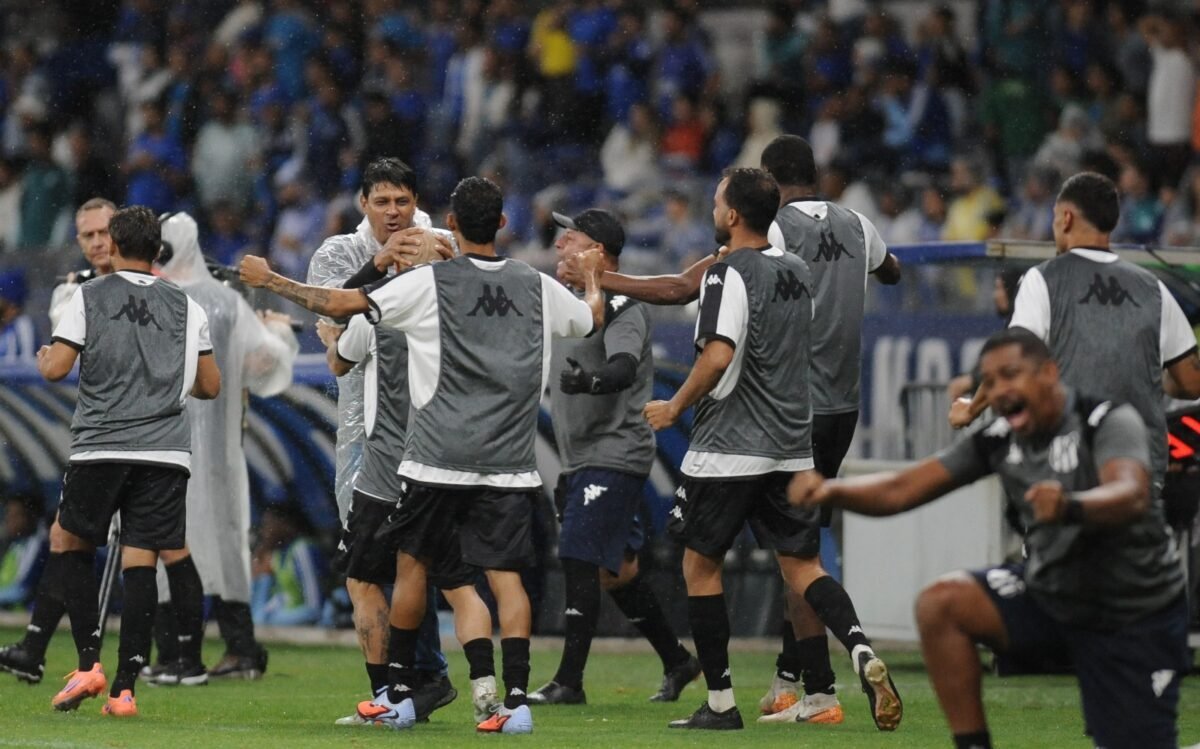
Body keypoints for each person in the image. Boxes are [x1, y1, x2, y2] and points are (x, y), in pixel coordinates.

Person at [239, 176, 606, 735]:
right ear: (503, 224)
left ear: (449, 224)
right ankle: (512, 700)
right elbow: (589, 319)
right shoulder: (532, 284)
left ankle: (400, 695)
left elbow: (339, 314)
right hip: (509, 461)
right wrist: (598, 280)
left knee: (411, 572)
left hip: (430, 457)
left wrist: (270, 282)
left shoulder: (426, 286)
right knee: (500, 581)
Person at [792, 328, 1189, 749]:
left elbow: (1130, 492)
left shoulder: (1106, 420)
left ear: (1049, 373)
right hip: (1055, 594)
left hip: (1134, 608)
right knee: (942, 604)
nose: (999, 391)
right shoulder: (999, 439)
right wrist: (831, 491)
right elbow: (902, 489)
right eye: (989, 381)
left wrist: (1072, 505)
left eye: (1010, 375)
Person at [641, 167, 899, 731]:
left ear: (732, 215)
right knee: (803, 566)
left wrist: (675, 407)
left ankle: (720, 705)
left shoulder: (727, 273)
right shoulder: (796, 271)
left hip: (730, 446)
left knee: (699, 566)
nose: (713, 208)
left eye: (715, 201)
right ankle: (857, 650)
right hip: (791, 446)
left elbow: (717, 355)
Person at [4, 205, 220, 716]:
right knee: (142, 560)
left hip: (102, 445)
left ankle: (87, 663)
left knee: (69, 540)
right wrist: (162, 378)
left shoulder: (89, 295)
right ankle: (126, 689)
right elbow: (210, 386)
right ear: (156, 251)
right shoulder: (188, 307)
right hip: (166, 452)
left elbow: (57, 368)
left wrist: (42, 358)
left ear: (116, 247)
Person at [527, 208, 700, 706]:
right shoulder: (572, 303)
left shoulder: (625, 304)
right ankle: (678, 660)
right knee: (615, 571)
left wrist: (592, 380)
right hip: (582, 454)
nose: (559, 247)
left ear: (597, 253)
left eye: (571, 239)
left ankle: (569, 682)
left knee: (579, 556)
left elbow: (623, 367)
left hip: (615, 450)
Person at [756, 134, 900, 727]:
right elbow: (891, 271)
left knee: (796, 555)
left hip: (792, 407)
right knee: (804, 542)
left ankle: (825, 681)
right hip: (843, 405)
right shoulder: (857, 223)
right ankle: (789, 677)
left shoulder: (774, 229)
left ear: (770, 180)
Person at [310, 157, 455, 724]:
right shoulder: (337, 254)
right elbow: (329, 326)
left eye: (403, 202)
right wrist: (377, 267)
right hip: (361, 431)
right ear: (363, 204)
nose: (394, 213)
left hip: (432, 424)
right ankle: (423, 681)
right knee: (374, 564)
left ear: (417, 202)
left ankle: (417, 684)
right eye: (382, 202)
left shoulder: (444, 245)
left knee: (408, 562)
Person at [950, 173, 1200, 496]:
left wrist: (971, 408)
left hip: (1067, 467)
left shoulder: (1042, 280)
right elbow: (1192, 383)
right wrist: (1147, 380)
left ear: (1066, 218)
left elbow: (1013, 360)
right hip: (1139, 472)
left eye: (1054, 219)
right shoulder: (1153, 289)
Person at [146, 212, 298, 684]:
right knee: (227, 541)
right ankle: (240, 648)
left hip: (162, 445)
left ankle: (174, 653)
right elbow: (263, 362)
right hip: (217, 450)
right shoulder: (226, 302)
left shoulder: (152, 299)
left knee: (168, 543)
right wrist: (278, 331)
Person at [50, 198, 117, 331]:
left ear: (121, 233)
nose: (96, 243)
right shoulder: (72, 290)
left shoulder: (150, 281)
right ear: (80, 241)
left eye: (104, 232)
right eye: (88, 235)